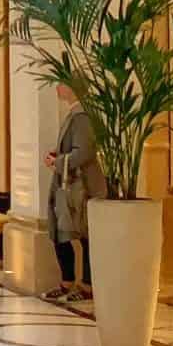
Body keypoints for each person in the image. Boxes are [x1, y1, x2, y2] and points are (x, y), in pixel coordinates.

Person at [46, 101, 105, 300]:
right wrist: (57, 155)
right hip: (68, 185)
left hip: (81, 187)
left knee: (84, 234)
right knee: (60, 231)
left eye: (61, 83)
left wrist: (59, 162)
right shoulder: (74, 114)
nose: (57, 87)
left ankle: (86, 286)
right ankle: (67, 281)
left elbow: (84, 152)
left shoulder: (82, 116)